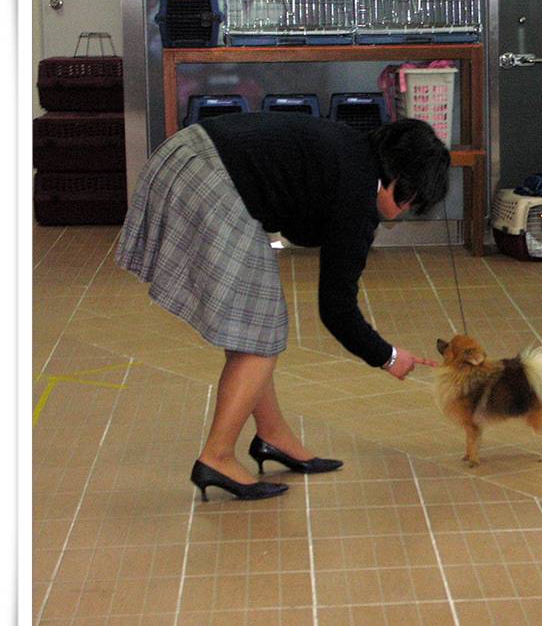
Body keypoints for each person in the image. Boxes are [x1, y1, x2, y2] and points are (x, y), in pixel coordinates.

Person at [116, 114, 451, 501]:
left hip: (185, 156)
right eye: (411, 201)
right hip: (209, 180)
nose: (407, 211)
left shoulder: (350, 149)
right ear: (399, 183)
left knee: (256, 324)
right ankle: (218, 456)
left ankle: (273, 436)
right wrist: (388, 356)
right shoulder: (357, 191)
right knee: (262, 332)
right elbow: (336, 309)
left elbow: (299, 220)